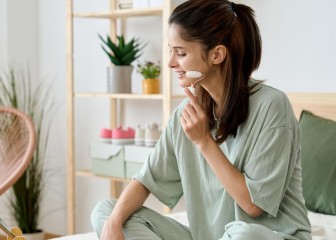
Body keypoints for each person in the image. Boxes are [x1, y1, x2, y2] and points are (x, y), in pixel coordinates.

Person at [91, 1, 312, 239]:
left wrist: (204, 141)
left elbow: (253, 205)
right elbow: (147, 179)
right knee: (107, 212)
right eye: (171, 50)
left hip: (270, 235)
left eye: (181, 53)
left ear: (217, 54)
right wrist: (114, 222)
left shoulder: (272, 105)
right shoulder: (185, 114)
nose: (170, 63)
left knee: (243, 236)